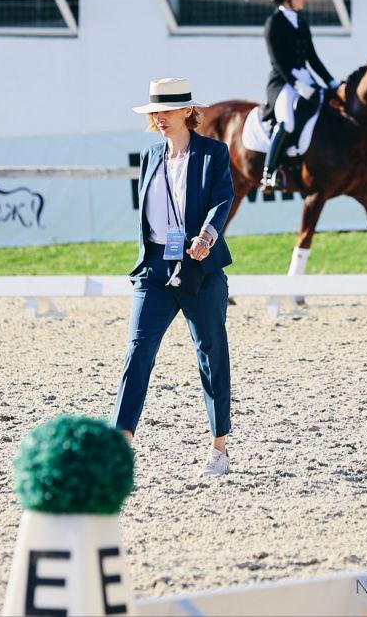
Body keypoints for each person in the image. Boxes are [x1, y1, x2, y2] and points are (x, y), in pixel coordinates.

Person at [114, 77, 236, 476]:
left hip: (200, 266)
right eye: (154, 112)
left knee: (210, 352)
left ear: (187, 111)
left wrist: (207, 235)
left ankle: (219, 446)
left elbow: (222, 198)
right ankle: (121, 445)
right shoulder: (150, 155)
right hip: (154, 267)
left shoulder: (212, 153)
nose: (159, 119)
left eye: (165, 111)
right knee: (138, 350)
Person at [261, 0, 339, 192]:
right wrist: (297, 85)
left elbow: (312, 57)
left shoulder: (302, 23)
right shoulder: (273, 23)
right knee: (287, 122)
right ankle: (269, 172)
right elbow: (278, 62)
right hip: (282, 83)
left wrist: (331, 82)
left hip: (305, 78)